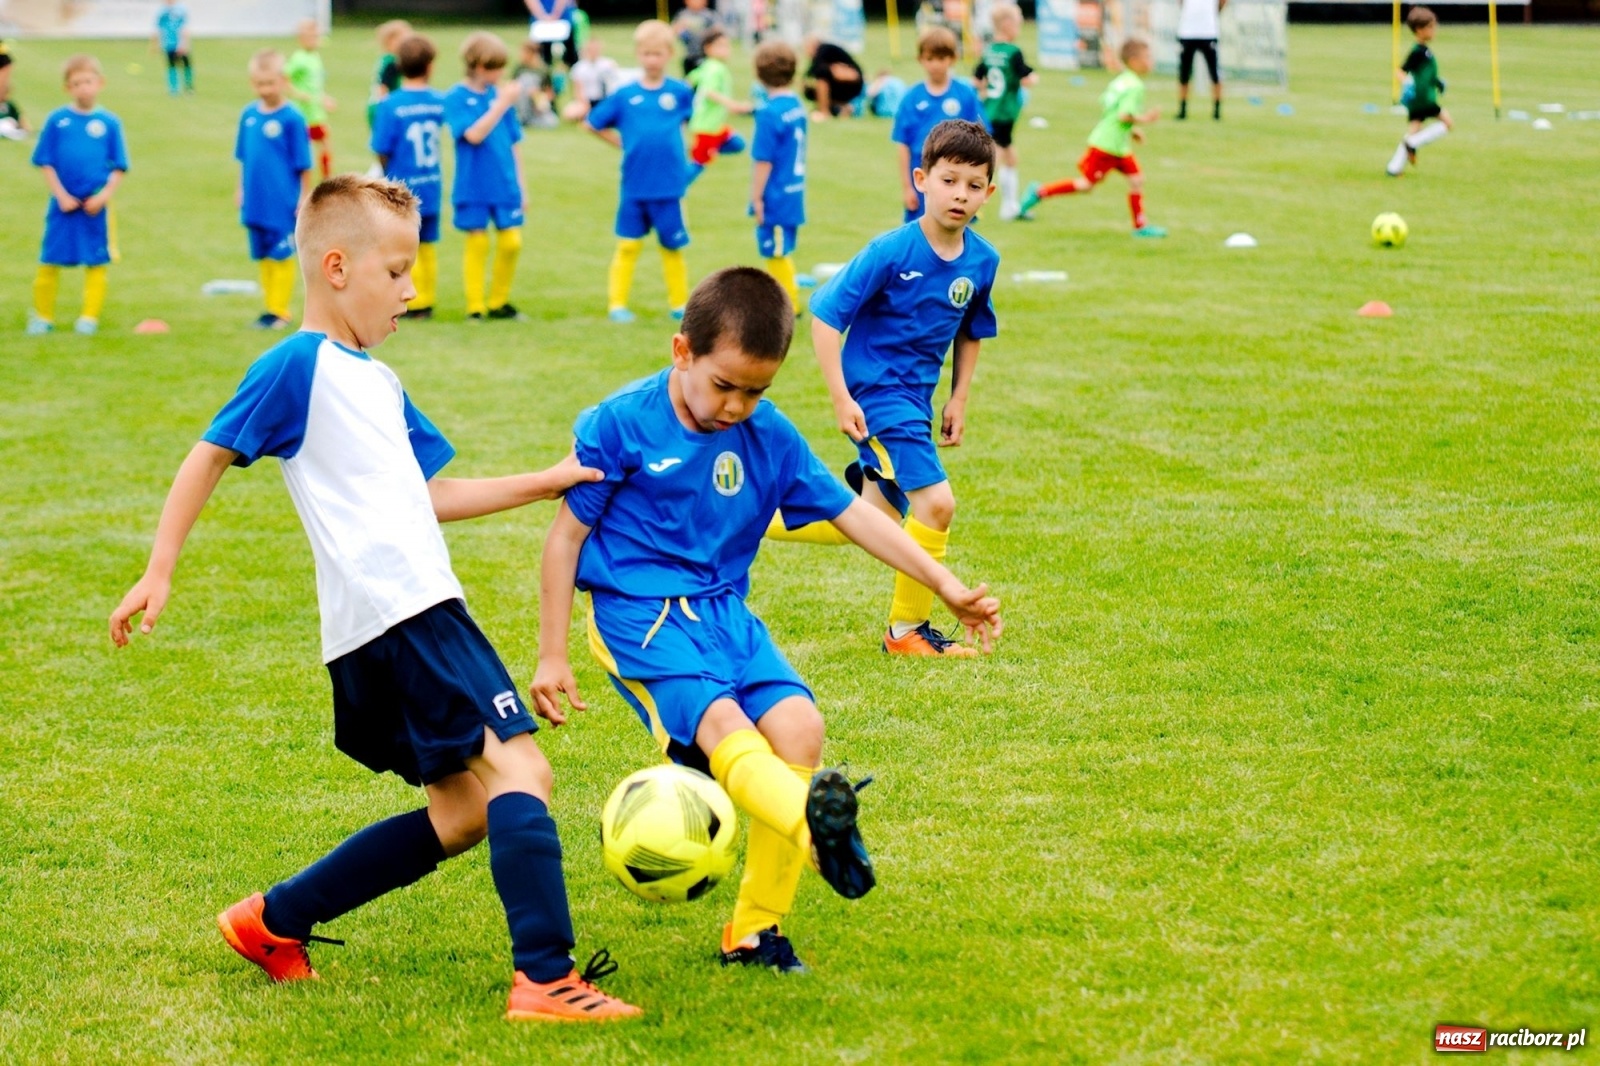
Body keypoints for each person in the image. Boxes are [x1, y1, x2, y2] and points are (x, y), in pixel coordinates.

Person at [108, 173, 643, 1025]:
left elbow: (427, 495)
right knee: (521, 769)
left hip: (386, 622)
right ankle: (545, 980)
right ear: (334, 268)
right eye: (396, 272)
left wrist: (547, 481)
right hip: (404, 611)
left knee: (465, 812)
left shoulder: (378, 382)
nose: (411, 289)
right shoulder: (298, 364)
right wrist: (160, 567)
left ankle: (272, 921)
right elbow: (208, 453)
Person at [531, 266, 1003, 972]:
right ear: (681, 351)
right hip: (642, 616)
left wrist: (944, 583)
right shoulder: (622, 424)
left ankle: (755, 932)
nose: (737, 405)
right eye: (724, 385)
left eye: (756, 390)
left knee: (800, 729)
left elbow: (854, 517)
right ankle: (817, 835)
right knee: (726, 727)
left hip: (725, 612)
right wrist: (552, 654)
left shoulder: (769, 434)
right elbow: (564, 539)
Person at [770, 121, 1001, 658]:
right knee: (936, 505)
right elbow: (825, 319)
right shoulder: (891, 251)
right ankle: (906, 633)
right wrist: (840, 397)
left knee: (866, 521)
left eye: (973, 185)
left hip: (914, 402)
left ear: (989, 193)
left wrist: (959, 396)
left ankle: (739, 511)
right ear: (922, 179)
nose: (960, 195)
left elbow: (972, 329)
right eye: (949, 181)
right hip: (878, 396)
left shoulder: (982, 260)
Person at [585, 20, 694, 324]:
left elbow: (692, 123)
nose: (651, 60)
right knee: (628, 245)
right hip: (634, 185)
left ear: (669, 54)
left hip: (670, 186)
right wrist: (622, 143)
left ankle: (679, 304)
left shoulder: (680, 92)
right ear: (637, 55)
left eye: (657, 54)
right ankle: (617, 304)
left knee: (672, 247)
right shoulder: (624, 95)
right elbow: (592, 122)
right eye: (646, 54)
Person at [1017, 38, 1166, 238]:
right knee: (1086, 186)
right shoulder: (1135, 86)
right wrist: (1145, 119)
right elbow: (1123, 115)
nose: (1151, 61)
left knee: (1137, 179)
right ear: (1133, 60)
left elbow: (1110, 110)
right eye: (1146, 57)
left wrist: (1131, 130)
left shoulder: (1121, 81)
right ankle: (1039, 192)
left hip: (1118, 145)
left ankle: (1140, 227)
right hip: (1107, 146)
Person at [27, 54, 127, 336]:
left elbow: (119, 166)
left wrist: (104, 196)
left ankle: (88, 318)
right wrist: (60, 195)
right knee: (49, 260)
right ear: (67, 88)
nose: (83, 87)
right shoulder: (57, 121)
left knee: (96, 261)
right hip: (63, 205)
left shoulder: (109, 123)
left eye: (88, 81)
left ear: (100, 83)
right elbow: (45, 161)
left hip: (94, 205)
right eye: (76, 83)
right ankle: (42, 316)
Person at [445, 32, 527, 321]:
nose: (501, 74)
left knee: (511, 242)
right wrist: (502, 103)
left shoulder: (499, 95)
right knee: (477, 242)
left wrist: (521, 185)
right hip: (473, 184)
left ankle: (499, 301)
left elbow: (514, 143)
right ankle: (476, 306)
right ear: (479, 66)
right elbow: (474, 134)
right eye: (496, 68)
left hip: (504, 183)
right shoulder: (456, 97)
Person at [235, 49, 313, 329]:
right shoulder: (248, 115)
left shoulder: (292, 118)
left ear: (283, 80)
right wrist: (240, 189)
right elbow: (244, 157)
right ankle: (269, 306)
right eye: (258, 84)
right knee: (263, 253)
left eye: (269, 83)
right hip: (255, 199)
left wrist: (305, 196)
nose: (264, 89)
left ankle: (280, 310)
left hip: (282, 200)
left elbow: (304, 163)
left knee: (281, 253)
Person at [371, 34, 445, 319]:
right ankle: (426, 300)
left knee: (402, 246)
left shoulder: (390, 104)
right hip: (432, 183)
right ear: (430, 66)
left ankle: (408, 300)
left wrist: (386, 171)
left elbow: (381, 148)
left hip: (401, 188)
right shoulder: (438, 101)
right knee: (427, 244)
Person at [892, 28, 984, 223]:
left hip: (957, 177)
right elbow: (902, 144)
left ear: (952, 59)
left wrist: (976, 184)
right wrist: (907, 187)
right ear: (920, 59)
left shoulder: (965, 94)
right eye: (930, 58)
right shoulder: (911, 98)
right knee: (921, 234)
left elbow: (981, 140)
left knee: (956, 231)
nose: (935, 65)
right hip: (922, 175)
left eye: (941, 59)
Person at [749, 41, 805, 303]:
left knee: (775, 251)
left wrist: (756, 197)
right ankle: (788, 290)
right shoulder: (796, 105)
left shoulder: (768, 113)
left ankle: (789, 304)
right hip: (794, 189)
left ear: (759, 75)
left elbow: (763, 161)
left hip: (776, 193)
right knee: (781, 247)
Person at [972, 3, 1036, 219]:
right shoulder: (1013, 52)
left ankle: (1010, 207)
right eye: (1017, 24)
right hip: (1005, 113)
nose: (1018, 29)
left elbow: (976, 78)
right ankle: (974, 204)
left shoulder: (989, 50)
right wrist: (1032, 78)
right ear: (1007, 25)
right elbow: (1026, 78)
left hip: (990, 110)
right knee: (993, 160)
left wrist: (985, 91)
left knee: (1010, 157)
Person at [1386, 6, 1451, 177]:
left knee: (1414, 130)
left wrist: (1438, 83)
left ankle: (1394, 168)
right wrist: (1407, 84)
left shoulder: (1425, 51)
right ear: (1420, 30)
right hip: (1423, 99)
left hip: (1423, 97)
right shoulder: (1417, 52)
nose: (1434, 30)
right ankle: (1413, 144)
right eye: (1430, 27)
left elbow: (1427, 73)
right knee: (1447, 124)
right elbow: (1400, 71)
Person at [685, 29, 750, 184]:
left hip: (716, 126)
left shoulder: (706, 66)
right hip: (707, 127)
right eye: (720, 46)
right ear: (708, 48)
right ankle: (676, 187)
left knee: (738, 144)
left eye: (727, 45)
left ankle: (708, 149)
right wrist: (733, 105)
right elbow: (709, 92)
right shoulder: (715, 68)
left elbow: (689, 80)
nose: (725, 49)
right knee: (698, 165)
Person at [285, 19, 335, 180]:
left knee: (326, 145)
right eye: (311, 36)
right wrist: (299, 94)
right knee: (303, 150)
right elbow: (284, 79)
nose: (316, 39)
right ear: (301, 38)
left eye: (316, 36)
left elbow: (315, 87)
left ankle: (327, 180)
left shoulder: (315, 56)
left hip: (316, 113)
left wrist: (325, 99)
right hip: (303, 114)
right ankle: (301, 180)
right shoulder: (298, 58)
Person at [1175, 0, 1224, 120]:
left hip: (1208, 32)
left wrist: (1213, 12)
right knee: (1184, 74)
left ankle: (1217, 110)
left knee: (1215, 73)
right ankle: (1182, 109)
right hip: (1187, 32)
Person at [802, 35, 864, 121]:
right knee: (812, 86)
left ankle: (824, 112)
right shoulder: (824, 54)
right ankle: (842, 107)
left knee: (822, 76)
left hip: (852, 83)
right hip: (847, 85)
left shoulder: (822, 50)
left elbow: (818, 71)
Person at [367, 20, 411, 130]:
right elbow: (383, 86)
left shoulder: (386, 59)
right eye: (403, 40)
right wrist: (385, 107)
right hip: (383, 107)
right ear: (390, 41)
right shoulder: (392, 62)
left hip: (378, 105)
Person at [566, 37, 621, 121]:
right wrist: (584, 104)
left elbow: (615, 85)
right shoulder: (579, 67)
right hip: (587, 101)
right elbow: (577, 89)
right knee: (570, 113)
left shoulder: (608, 64)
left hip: (604, 100)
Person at [511, 40, 558, 128]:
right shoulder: (519, 68)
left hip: (538, 106)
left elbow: (550, 94)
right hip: (521, 102)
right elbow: (511, 86)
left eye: (523, 52)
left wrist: (537, 94)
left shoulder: (543, 70)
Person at [526, 0, 580, 75]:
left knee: (570, 55)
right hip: (541, 21)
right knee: (541, 54)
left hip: (562, 18)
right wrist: (542, 15)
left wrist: (553, 15)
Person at [152, 0, 194, 96]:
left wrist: (183, 44)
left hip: (180, 42)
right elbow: (158, 28)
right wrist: (156, 44)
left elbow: (185, 28)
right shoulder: (162, 11)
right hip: (169, 43)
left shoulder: (181, 9)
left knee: (186, 64)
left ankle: (189, 87)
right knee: (171, 65)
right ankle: (173, 89)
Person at [672, 0, 723, 76]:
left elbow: (718, 30)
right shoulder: (683, 15)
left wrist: (707, 34)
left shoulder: (709, 15)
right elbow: (674, 30)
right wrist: (680, 28)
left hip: (705, 55)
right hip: (689, 55)